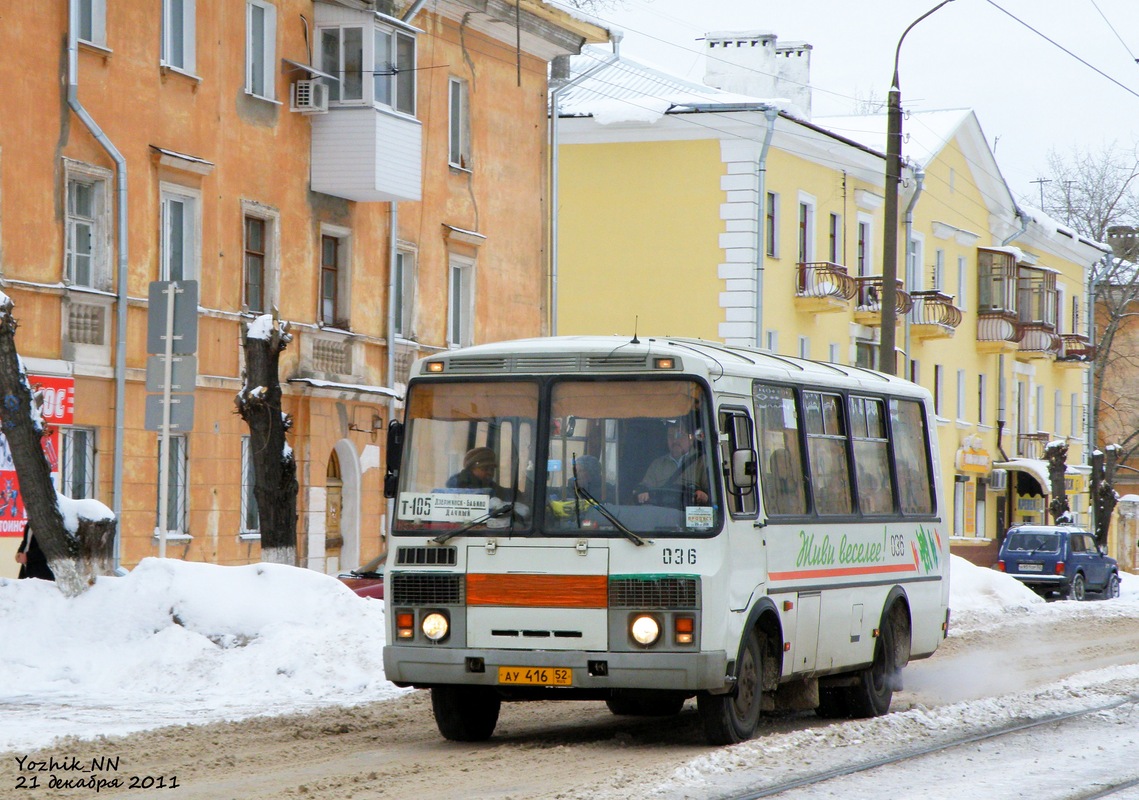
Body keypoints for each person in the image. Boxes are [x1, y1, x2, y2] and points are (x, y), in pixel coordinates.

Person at [635, 422, 709, 505]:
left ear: (691, 439)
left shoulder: (703, 461)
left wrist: (704, 495)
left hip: (690, 513)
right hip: (661, 513)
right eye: (670, 436)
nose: (674, 440)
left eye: (679, 435)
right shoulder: (658, 464)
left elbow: (713, 493)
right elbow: (644, 486)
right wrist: (643, 492)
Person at [446, 446, 512, 502]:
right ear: (471, 469)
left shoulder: (490, 486)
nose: (490, 473)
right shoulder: (459, 488)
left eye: (492, 469)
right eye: (485, 469)